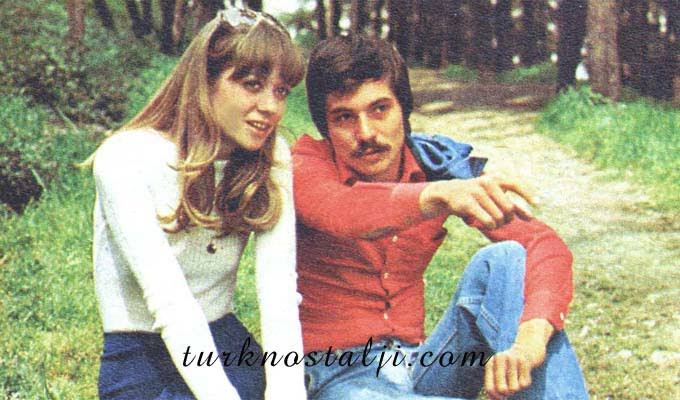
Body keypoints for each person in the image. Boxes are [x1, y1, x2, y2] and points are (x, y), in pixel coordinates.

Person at [293, 34, 588, 399]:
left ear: (403, 109)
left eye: (380, 109)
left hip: (421, 365)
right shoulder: (305, 165)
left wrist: (529, 342)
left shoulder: (435, 164)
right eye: (344, 117)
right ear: (325, 126)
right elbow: (342, 210)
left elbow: (543, 244)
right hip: (338, 377)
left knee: (507, 258)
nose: (365, 133)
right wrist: (438, 195)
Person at [90, 6, 306, 399]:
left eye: (280, 91)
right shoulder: (125, 158)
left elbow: (278, 293)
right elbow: (169, 303)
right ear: (205, 80)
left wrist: (287, 392)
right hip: (140, 352)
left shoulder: (272, 157)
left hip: (224, 340)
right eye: (253, 85)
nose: (271, 106)